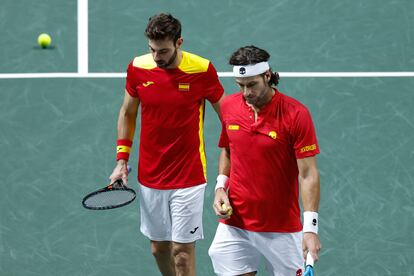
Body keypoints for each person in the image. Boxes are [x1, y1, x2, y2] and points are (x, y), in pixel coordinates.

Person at [109, 13, 224, 276]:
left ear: (179, 42)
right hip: (150, 175)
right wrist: (122, 160)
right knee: (158, 248)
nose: (157, 57)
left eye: (163, 51)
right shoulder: (138, 68)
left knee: (182, 254)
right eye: (152, 50)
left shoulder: (201, 70)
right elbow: (128, 113)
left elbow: (226, 113)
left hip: (189, 175)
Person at [208, 45, 321, 276]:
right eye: (240, 86)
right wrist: (220, 187)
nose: (246, 92)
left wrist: (310, 229)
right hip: (236, 222)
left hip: (280, 227)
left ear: (267, 76)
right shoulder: (229, 106)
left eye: (252, 85)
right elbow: (228, 149)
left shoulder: (296, 114)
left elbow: (308, 174)